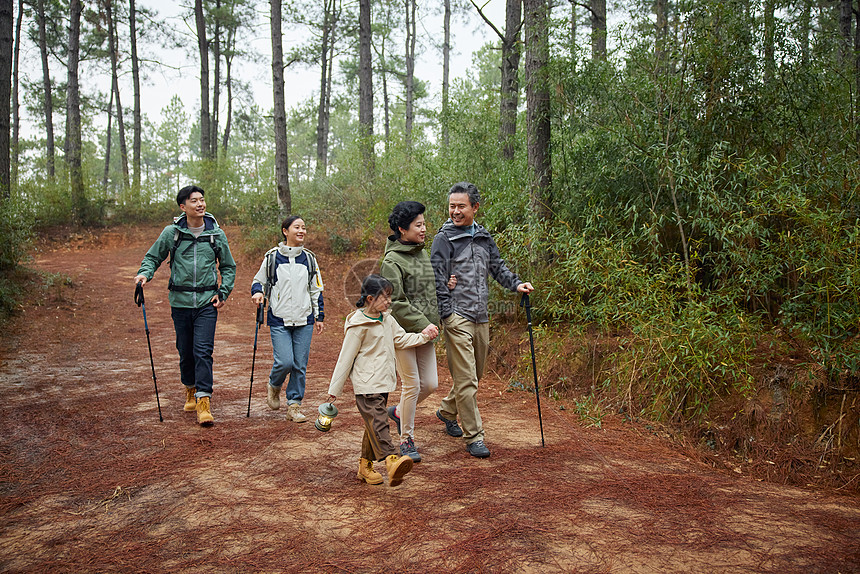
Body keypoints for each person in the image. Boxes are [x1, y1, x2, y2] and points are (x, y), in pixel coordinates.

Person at [430, 182, 534, 458]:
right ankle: (474, 436)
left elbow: (497, 267)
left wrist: (517, 285)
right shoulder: (444, 238)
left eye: (461, 206)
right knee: (467, 381)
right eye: (452, 206)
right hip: (457, 317)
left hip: (481, 316)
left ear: (475, 207)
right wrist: (447, 314)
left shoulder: (484, 237)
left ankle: (447, 411)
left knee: (475, 375)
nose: (455, 211)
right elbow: (436, 279)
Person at [134, 185, 236, 426]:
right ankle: (190, 388)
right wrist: (144, 275)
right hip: (179, 303)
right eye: (194, 201)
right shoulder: (172, 233)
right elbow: (153, 257)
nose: (200, 204)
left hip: (206, 303)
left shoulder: (216, 235)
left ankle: (203, 400)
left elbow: (229, 267)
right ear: (183, 207)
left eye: (202, 200)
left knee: (203, 350)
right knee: (185, 350)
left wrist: (223, 292)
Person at [326, 274, 439, 486]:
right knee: (379, 423)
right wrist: (335, 389)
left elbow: (402, 339)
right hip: (366, 385)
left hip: (383, 383)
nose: (389, 301)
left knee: (373, 425)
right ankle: (391, 460)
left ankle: (364, 466)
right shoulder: (358, 325)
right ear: (370, 298)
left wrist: (424, 336)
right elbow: (345, 359)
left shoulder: (387, 319)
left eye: (390, 297)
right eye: (385, 297)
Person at [379, 201, 440, 462]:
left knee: (430, 384)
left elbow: (426, 288)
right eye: (419, 225)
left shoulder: (421, 254)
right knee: (412, 385)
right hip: (404, 333)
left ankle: (398, 413)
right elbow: (396, 302)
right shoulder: (391, 261)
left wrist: (444, 282)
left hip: (427, 330)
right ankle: (406, 440)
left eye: (424, 223)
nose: (424, 228)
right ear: (403, 229)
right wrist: (423, 324)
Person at [251, 215, 324, 422]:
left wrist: (319, 317)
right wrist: (258, 293)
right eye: (297, 227)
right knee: (285, 362)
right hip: (279, 318)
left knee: (300, 364)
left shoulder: (309, 258)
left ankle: (294, 405)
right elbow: (259, 281)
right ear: (285, 231)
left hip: (304, 319)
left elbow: (316, 289)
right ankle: (274, 386)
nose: (301, 231)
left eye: (304, 227)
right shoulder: (272, 257)